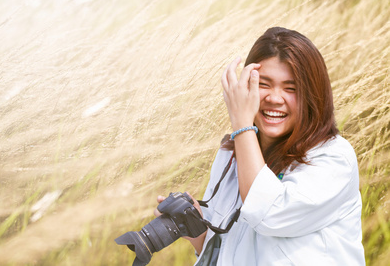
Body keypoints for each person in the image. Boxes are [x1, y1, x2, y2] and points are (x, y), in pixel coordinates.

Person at [155, 27, 365, 265]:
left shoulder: (333, 158)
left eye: (291, 88)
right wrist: (197, 229)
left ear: (312, 96)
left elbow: (269, 215)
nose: (275, 98)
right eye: (263, 84)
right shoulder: (231, 154)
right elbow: (229, 251)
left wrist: (242, 124)